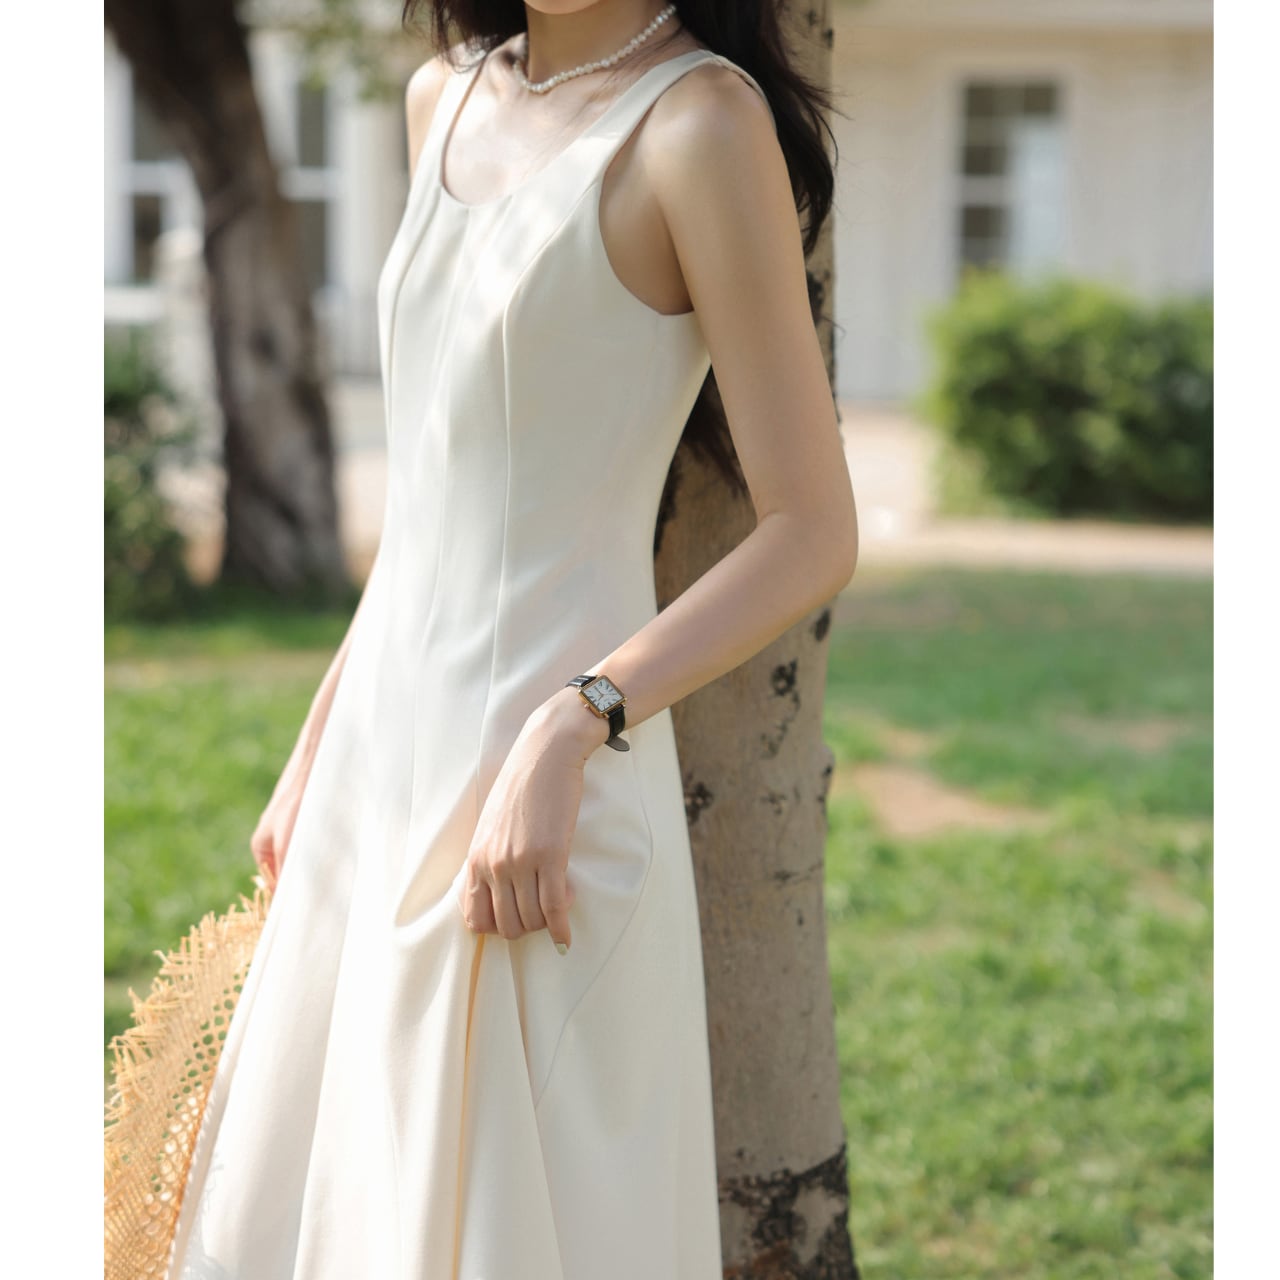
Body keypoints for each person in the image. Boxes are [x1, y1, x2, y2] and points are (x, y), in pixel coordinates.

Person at [165, 2, 857, 1276]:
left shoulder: (699, 125)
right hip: (381, 757)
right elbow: (437, 499)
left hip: (547, 801)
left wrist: (574, 720)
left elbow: (811, 531)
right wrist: (321, 737)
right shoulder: (442, 95)